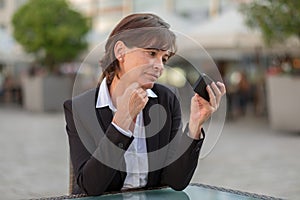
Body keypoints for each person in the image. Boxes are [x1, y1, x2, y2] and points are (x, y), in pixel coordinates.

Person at [63, 13, 226, 196]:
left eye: (164, 58)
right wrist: (121, 123)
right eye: (152, 53)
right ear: (121, 51)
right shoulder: (80, 108)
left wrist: (195, 124)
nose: (160, 66)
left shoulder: (167, 99)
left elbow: (176, 181)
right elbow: (90, 186)